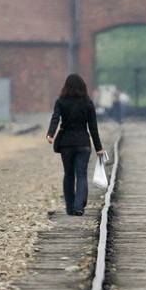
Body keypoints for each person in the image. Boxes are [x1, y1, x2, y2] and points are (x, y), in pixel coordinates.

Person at [46, 74, 105, 216]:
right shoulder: (88, 103)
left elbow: (55, 119)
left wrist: (51, 134)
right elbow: (93, 128)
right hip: (83, 143)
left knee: (69, 175)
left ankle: (70, 207)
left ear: (66, 86)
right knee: (82, 174)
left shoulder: (61, 102)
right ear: (82, 87)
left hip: (66, 143)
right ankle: (79, 206)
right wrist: (99, 148)